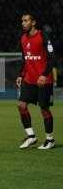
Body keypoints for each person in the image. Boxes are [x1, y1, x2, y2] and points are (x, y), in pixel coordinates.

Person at [16, 13, 56, 150]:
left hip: (43, 80)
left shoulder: (43, 36)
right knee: (21, 105)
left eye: (26, 21)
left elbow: (52, 58)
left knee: (44, 109)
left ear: (33, 22)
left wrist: (44, 75)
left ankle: (50, 139)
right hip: (29, 79)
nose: (23, 23)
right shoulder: (22, 39)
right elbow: (25, 60)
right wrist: (21, 75)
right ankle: (31, 136)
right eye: (22, 21)